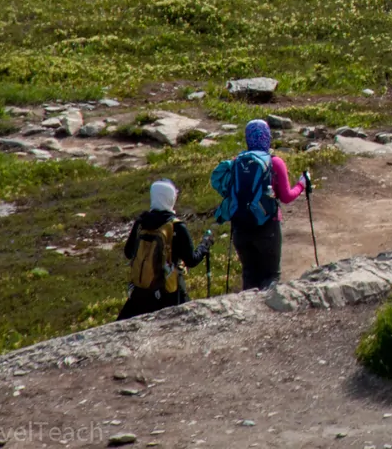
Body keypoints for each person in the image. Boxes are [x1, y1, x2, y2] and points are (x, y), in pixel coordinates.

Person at [213, 119, 307, 291]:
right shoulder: (274, 162)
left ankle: (247, 313)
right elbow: (286, 197)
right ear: (267, 137)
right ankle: (267, 315)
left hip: (240, 228)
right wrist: (301, 185)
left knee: (249, 274)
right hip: (268, 226)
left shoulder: (236, 162)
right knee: (271, 276)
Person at [118, 179, 212, 320]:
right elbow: (191, 260)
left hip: (141, 293)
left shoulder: (141, 222)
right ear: (171, 198)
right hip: (169, 292)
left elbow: (128, 253)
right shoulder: (177, 227)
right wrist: (204, 246)